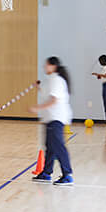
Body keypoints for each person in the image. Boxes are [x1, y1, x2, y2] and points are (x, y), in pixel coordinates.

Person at [32, 56, 75, 186]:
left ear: (53, 66)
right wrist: (39, 87)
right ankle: (46, 173)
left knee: (58, 147)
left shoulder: (57, 80)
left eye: (46, 65)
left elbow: (53, 100)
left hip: (56, 118)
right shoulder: (51, 80)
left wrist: (36, 108)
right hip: (50, 119)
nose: (44, 67)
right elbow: (47, 94)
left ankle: (67, 175)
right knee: (50, 147)